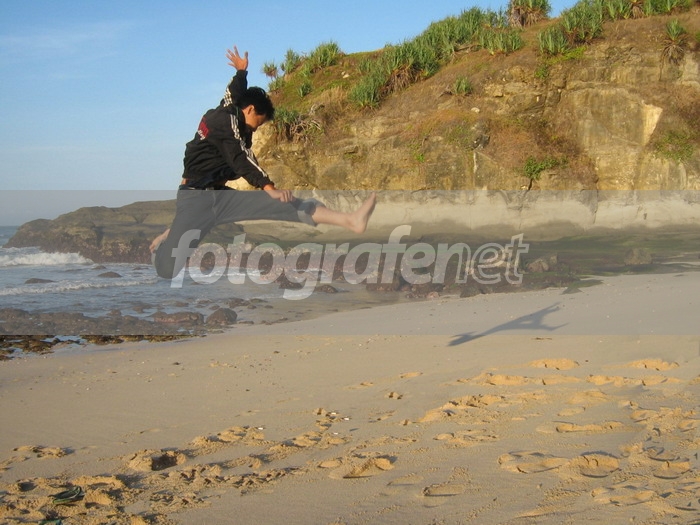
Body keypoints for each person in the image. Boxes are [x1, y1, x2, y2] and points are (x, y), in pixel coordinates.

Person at [152, 46, 376, 279]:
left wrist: (242, 72)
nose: (254, 130)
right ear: (250, 110)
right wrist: (269, 187)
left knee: (286, 205)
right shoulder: (224, 122)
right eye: (256, 124)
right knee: (168, 270)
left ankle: (351, 221)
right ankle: (168, 239)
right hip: (195, 200)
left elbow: (235, 90)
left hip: (220, 196)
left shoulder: (233, 106)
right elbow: (241, 157)